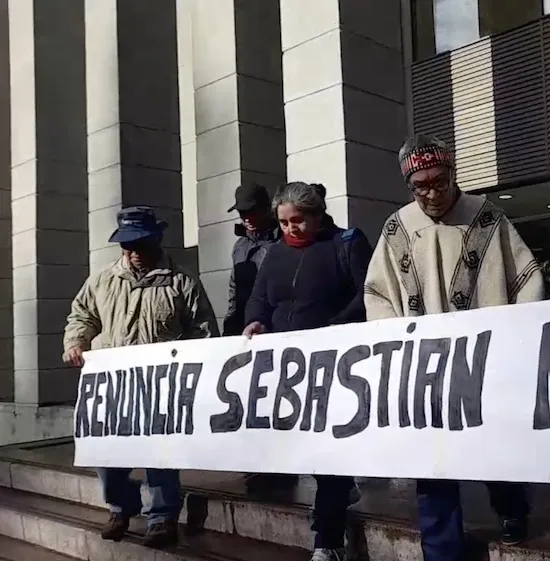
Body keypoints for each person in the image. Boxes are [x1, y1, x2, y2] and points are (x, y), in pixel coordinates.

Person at [364, 134, 544, 561]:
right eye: (420, 186)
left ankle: (512, 509)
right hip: (426, 367)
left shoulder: (487, 216)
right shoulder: (397, 227)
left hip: (485, 359)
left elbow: (527, 277)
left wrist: (515, 331)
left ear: (452, 172)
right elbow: (377, 293)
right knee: (433, 457)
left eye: (439, 182)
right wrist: (397, 339)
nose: (431, 193)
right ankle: (441, 547)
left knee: (494, 439)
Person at [62, 206, 219, 549]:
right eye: (127, 245)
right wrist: (76, 342)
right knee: (106, 452)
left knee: (159, 453)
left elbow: (203, 330)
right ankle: (121, 506)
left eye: (140, 244)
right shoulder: (103, 280)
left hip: (162, 385)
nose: (133, 252)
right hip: (115, 385)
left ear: (156, 240)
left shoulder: (181, 281)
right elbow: (82, 315)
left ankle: (162, 518)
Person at [242, 182, 373, 561]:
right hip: (290, 372)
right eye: (283, 223)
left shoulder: (345, 244)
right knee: (307, 450)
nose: (290, 229)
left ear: (317, 216)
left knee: (327, 450)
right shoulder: (275, 254)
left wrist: (335, 328)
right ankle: (340, 490)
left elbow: (368, 292)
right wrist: (255, 320)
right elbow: (259, 298)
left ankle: (327, 541)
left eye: (297, 220)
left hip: (336, 365)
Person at [221, 183, 298, 496]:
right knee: (251, 401)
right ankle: (257, 465)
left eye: (252, 211)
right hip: (247, 331)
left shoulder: (284, 240)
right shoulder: (239, 246)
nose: (247, 218)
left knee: (280, 399)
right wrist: (230, 326)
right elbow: (234, 290)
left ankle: (284, 468)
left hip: (278, 329)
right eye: (242, 213)